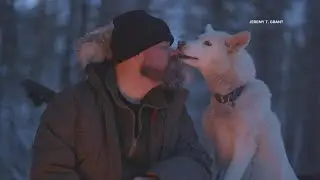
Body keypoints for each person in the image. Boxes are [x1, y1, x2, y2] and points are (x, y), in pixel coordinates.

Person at [29, 10, 212, 180]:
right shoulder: (71, 106)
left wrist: (157, 178)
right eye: (164, 47)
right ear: (135, 54)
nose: (174, 53)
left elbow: (198, 161)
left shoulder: (172, 108)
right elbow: (50, 173)